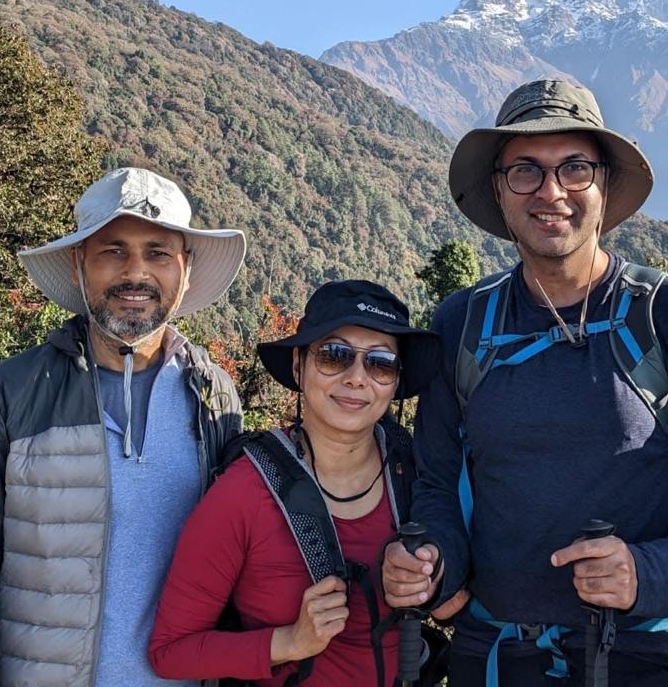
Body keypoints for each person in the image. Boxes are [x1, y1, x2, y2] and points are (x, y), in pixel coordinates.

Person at [383, 79, 668, 686]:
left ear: (604, 185)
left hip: (645, 661)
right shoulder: (462, 323)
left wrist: (646, 571)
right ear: (499, 189)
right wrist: (432, 562)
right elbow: (437, 485)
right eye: (525, 170)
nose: (551, 191)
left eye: (575, 168)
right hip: (496, 657)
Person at [0, 167, 247, 687]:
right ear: (79, 266)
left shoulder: (213, 398)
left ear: (185, 270)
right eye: (113, 251)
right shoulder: (8, 395)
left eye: (158, 253)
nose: (135, 273)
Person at [148, 280, 447, 686]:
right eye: (334, 355)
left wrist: (433, 576)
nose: (357, 378)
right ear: (298, 365)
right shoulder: (243, 493)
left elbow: (464, 593)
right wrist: (289, 642)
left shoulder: (414, 474)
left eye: (380, 363)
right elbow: (170, 651)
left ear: (395, 381)